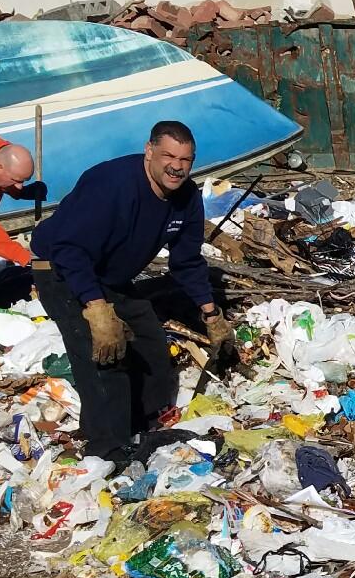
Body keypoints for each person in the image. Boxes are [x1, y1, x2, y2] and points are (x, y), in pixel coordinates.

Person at [31, 120, 231, 461]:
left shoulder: (185, 199)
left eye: (186, 159)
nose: (177, 167)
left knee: (150, 342)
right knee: (104, 354)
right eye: (168, 155)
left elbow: (186, 262)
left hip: (110, 280)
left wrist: (211, 313)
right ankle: (107, 449)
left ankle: (144, 428)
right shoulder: (111, 184)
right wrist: (95, 309)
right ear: (149, 151)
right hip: (62, 272)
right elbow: (68, 248)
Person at [0, 135, 36, 268]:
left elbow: (1, 183)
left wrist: (27, 192)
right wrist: (23, 256)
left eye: (23, 181)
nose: (19, 186)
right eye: (16, 181)